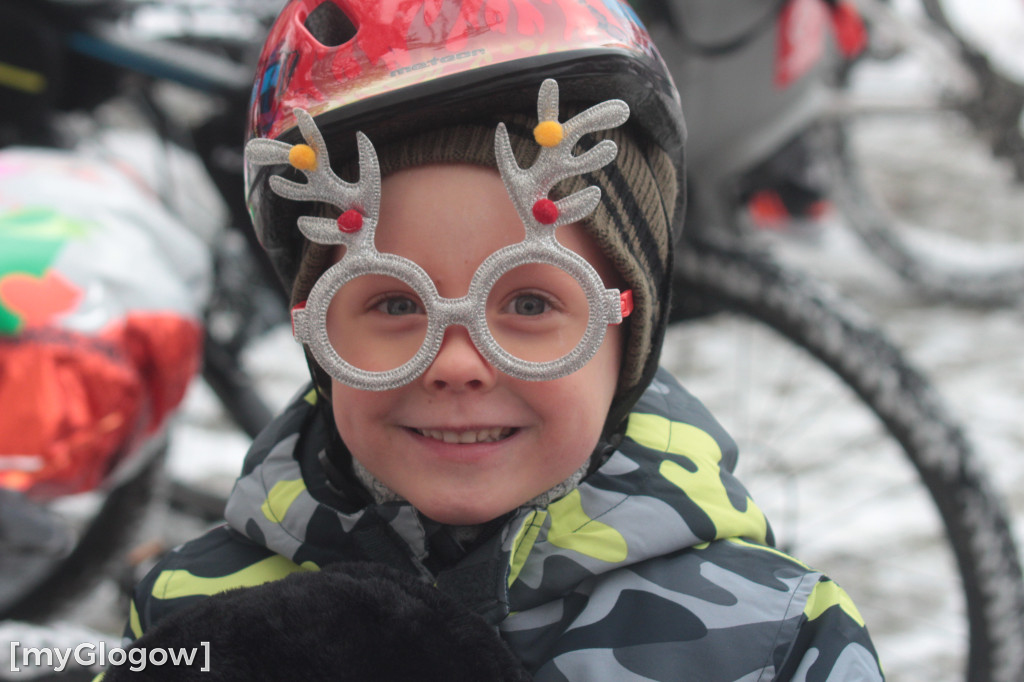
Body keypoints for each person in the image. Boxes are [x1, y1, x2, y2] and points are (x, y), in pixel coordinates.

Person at [116, 1, 885, 679]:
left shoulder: (774, 641)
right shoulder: (191, 617)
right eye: (392, 302)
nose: (457, 364)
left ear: (630, 329)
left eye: (525, 299)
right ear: (316, 334)